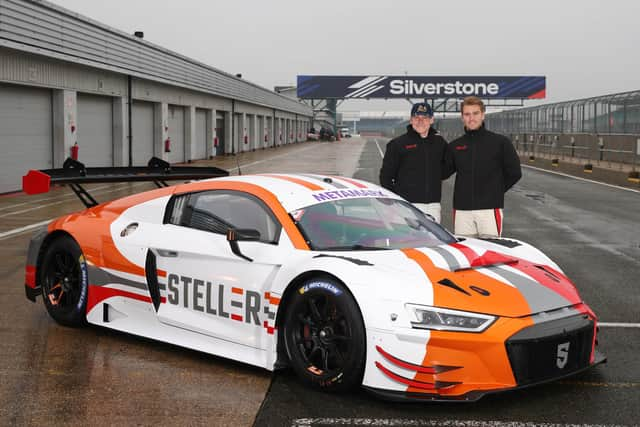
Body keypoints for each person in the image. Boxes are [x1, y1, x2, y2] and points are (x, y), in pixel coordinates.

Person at [444, 96, 522, 238]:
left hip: (489, 209)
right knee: (466, 254)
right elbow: (442, 172)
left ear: (483, 115)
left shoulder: (500, 142)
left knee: (491, 252)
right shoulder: (455, 146)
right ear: (462, 117)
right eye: (467, 114)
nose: (471, 118)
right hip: (462, 210)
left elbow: (515, 172)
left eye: (475, 113)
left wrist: (495, 191)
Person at [379, 102, 449, 223]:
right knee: (404, 241)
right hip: (406, 205)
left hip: (433, 206)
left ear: (431, 120)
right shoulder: (397, 144)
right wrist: (397, 201)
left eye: (425, 118)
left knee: (434, 242)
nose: (420, 121)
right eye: (416, 118)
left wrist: (435, 176)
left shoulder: (440, 143)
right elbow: (385, 177)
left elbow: (448, 167)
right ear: (411, 120)